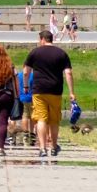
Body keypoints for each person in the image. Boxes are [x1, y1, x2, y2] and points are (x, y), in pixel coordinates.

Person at [24, 30, 76, 158]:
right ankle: (53, 147)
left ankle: (42, 148)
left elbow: (26, 72)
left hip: (39, 90)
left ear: (42, 39)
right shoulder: (61, 53)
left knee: (41, 119)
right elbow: (68, 73)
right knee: (54, 120)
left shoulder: (34, 52)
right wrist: (71, 92)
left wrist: (25, 85)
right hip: (55, 90)